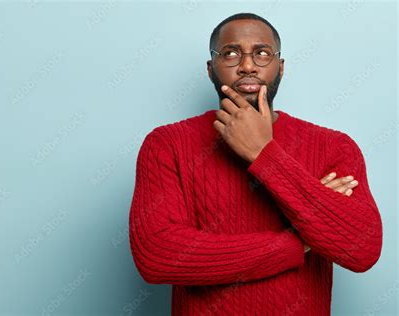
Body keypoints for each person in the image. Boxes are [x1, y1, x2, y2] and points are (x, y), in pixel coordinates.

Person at [128, 12, 382, 315]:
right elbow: (157, 257)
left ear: (280, 67)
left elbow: (362, 250)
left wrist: (263, 153)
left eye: (262, 53)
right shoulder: (167, 144)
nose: (247, 66)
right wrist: (296, 243)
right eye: (231, 53)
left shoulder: (333, 147)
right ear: (211, 69)